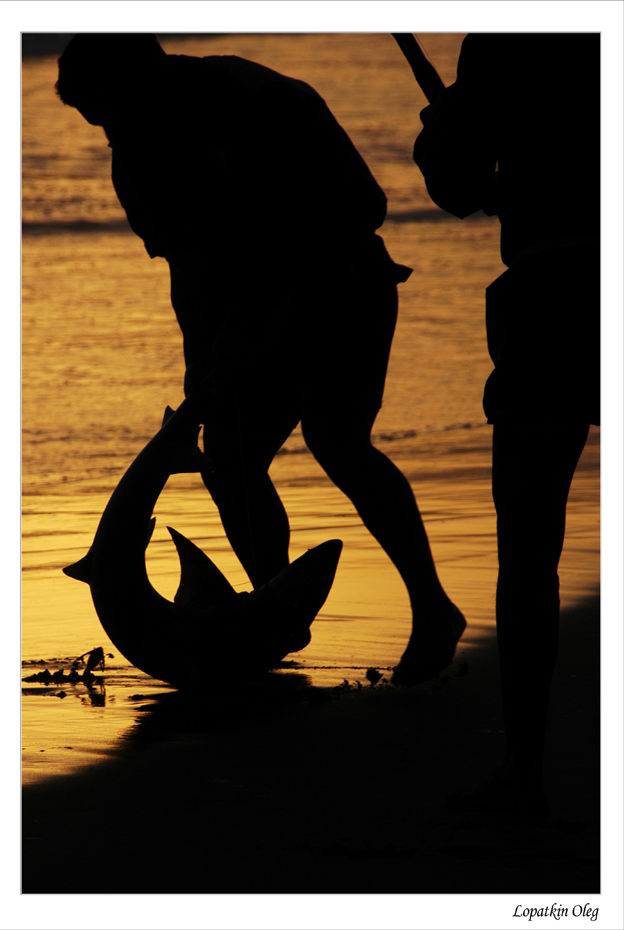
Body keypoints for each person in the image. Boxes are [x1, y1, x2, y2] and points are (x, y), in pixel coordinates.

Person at [56, 34, 466, 681]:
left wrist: (279, 302)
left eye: (110, 110)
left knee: (339, 442)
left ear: (145, 75)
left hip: (341, 285)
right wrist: (202, 367)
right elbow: (186, 267)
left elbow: (364, 206)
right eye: (96, 122)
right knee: (228, 458)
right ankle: (276, 605)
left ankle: (432, 609)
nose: (111, 132)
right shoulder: (134, 155)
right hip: (241, 318)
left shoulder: (259, 97)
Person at [412, 33, 599, 813]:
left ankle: (524, 772)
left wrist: (444, 128)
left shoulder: (504, 43)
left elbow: (458, 184)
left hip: (552, 293)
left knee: (528, 548)